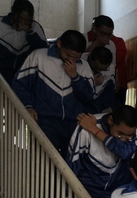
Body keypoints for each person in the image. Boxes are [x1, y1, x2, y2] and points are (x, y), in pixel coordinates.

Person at [12, 29, 94, 158]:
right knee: (46, 159)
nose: (72, 60)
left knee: (70, 162)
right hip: (45, 119)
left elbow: (88, 96)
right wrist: (28, 106)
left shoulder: (84, 66)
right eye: (68, 55)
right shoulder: (39, 56)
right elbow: (20, 84)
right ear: (59, 44)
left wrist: (75, 77)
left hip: (73, 122)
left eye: (76, 57)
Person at [0, 0, 47, 83]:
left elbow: (44, 50)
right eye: (19, 19)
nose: (22, 23)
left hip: (23, 76)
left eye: (27, 20)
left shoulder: (35, 27)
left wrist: (29, 32)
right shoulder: (2, 24)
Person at [85, 15, 127, 104]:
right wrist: (96, 44)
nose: (106, 37)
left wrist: (116, 80)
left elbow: (113, 66)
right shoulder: (83, 39)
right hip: (86, 85)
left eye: (109, 34)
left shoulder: (111, 44)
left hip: (105, 85)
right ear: (94, 28)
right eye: (103, 33)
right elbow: (79, 61)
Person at [82, 46, 116, 113]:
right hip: (82, 103)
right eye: (97, 68)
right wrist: (91, 83)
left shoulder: (111, 68)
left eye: (104, 69)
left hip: (100, 102)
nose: (100, 71)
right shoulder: (80, 64)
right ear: (91, 59)